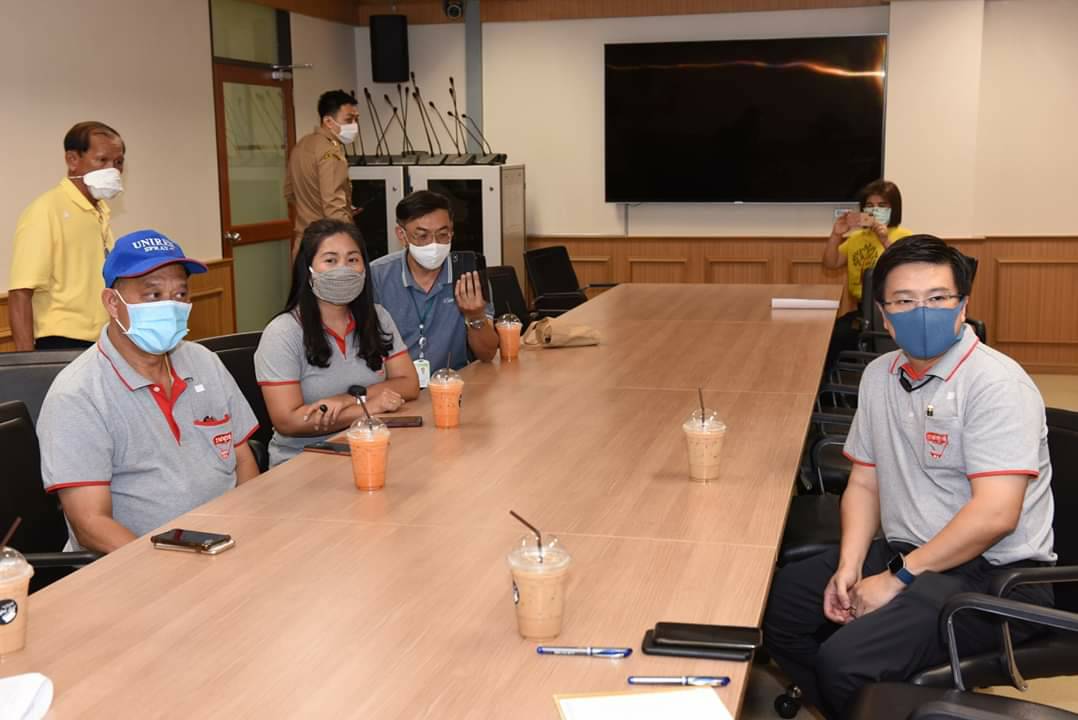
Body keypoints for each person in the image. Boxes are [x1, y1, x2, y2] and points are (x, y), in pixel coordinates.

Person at [764, 235, 1056, 719]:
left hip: (993, 577)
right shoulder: (881, 375)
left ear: (962, 308)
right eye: (904, 301)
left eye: (937, 298)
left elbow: (996, 515)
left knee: (845, 661)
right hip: (909, 550)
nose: (922, 313)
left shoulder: (996, 384)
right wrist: (850, 565)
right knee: (781, 608)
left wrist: (896, 579)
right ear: (884, 316)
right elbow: (864, 481)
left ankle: (864, 695)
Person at [37, 230, 261, 553]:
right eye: (153, 295)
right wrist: (166, 566)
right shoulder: (77, 395)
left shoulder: (204, 362)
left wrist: (249, 531)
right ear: (113, 303)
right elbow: (90, 523)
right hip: (137, 564)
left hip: (226, 544)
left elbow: (244, 462)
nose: (170, 306)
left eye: (180, 294)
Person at [255, 219, 419, 467]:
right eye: (330, 260)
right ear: (308, 269)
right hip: (304, 461)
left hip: (370, 446)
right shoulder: (282, 333)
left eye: (352, 259)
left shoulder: (377, 317)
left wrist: (349, 399)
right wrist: (369, 408)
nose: (343, 269)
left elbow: (409, 384)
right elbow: (288, 421)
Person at [8, 121, 125, 350]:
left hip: (102, 340)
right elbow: (20, 292)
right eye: (102, 160)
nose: (112, 170)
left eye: (118, 162)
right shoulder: (46, 210)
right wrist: (29, 363)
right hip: (62, 343)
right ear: (72, 160)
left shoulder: (100, 212)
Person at [369, 191, 497, 384]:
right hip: (396, 388)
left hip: (453, 386)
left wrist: (476, 316)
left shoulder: (467, 275)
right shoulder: (377, 276)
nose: (434, 244)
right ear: (402, 235)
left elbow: (487, 354)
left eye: (443, 235)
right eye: (422, 236)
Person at [821, 179, 912, 369]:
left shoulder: (905, 236)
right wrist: (836, 234)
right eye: (869, 205)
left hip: (895, 311)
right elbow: (831, 263)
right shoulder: (857, 238)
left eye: (882, 205)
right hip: (863, 310)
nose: (875, 210)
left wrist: (885, 240)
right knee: (831, 335)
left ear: (893, 209)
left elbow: (906, 270)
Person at [284, 89, 360, 252]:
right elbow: (333, 206)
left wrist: (311, 208)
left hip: (302, 240)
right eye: (348, 120)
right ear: (328, 121)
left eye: (356, 119)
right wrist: (352, 241)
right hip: (326, 244)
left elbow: (290, 193)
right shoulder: (331, 152)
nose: (354, 125)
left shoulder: (301, 145)